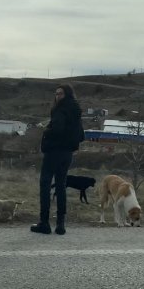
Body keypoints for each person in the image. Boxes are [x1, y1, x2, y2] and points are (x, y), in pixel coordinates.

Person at [30, 83, 84, 235]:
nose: (57, 96)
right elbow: (81, 135)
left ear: (66, 95)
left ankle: (44, 223)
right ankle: (61, 225)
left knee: (45, 184)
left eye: (60, 93)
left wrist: (47, 131)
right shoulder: (76, 111)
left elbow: (58, 129)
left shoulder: (60, 109)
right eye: (56, 93)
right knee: (61, 186)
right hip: (67, 154)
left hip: (54, 152)